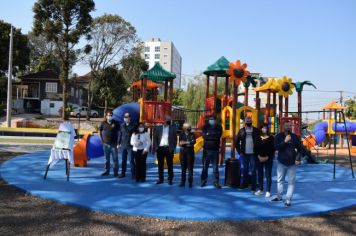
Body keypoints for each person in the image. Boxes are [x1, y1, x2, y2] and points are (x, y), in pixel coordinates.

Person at [271, 120, 302, 207]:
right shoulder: (278, 136)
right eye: (287, 125)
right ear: (283, 126)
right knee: (280, 180)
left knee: (291, 182)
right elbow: (276, 147)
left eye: (289, 125)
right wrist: (285, 141)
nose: (288, 127)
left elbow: (300, 149)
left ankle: (288, 200)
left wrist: (298, 159)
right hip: (281, 162)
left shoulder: (295, 137)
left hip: (292, 163)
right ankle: (279, 196)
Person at [235, 116, 260, 191]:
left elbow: (259, 142)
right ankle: (244, 184)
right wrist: (240, 152)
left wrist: (258, 152)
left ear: (252, 121)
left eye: (250, 121)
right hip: (244, 153)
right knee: (245, 169)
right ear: (244, 122)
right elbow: (236, 143)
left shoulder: (256, 130)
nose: (248, 122)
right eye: (247, 121)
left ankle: (254, 185)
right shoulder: (241, 131)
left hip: (253, 153)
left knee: (253, 169)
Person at [154, 115, 177, 185]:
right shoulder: (158, 128)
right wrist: (156, 147)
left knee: (170, 164)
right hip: (160, 148)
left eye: (170, 119)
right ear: (164, 120)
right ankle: (161, 179)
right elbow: (155, 138)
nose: (169, 121)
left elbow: (175, 139)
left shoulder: (173, 128)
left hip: (169, 148)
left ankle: (170, 179)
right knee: (160, 164)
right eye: (168, 119)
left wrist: (173, 148)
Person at [201, 115, 223, 189]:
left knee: (215, 167)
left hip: (215, 150)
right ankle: (203, 181)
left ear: (215, 120)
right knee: (205, 167)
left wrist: (209, 134)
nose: (211, 120)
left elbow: (218, 136)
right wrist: (212, 135)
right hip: (206, 150)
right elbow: (204, 136)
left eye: (213, 119)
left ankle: (216, 182)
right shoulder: (205, 127)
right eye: (210, 119)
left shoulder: (219, 127)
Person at [255, 123, 275, 197]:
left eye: (265, 128)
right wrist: (258, 156)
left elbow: (273, 149)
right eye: (263, 128)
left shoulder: (271, 138)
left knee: (268, 174)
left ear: (267, 129)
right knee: (260, 174)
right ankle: (260, 189)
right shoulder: (257, 138)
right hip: (259, 158)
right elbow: (255, 148)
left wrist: (268, 157)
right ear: (260, 129)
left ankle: (268, 190)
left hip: (268, 159)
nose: (264, 129)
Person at [99, 111, 120, 177]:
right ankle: (106, 171)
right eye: (108, 115)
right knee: (106, 159)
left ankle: (115, 173)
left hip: (114, 144)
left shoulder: (116, 123)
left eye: (111, 115)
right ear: (106, 116)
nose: (110, 116)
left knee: (115, 159)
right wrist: (101, 140)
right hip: (106, 144)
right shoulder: (103, 123)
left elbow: (119, 133)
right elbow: (99, 131)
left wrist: (118, 143)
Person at [118, 112, 136, 178]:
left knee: (131, 160)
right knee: (123, 160)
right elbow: (120, 135)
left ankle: (133, 174)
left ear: (130, 118)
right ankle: (123, 173)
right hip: (123, 145)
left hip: (130, 146)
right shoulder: (122, 125)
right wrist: (118, 143)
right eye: (125, 117)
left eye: (127, 117)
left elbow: (136, 136)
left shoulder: (133, 126)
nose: (126, 118)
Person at [178, 123, 196, 188]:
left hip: (190, 153)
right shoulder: (181, 134)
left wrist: (185, 142)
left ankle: (190, 182)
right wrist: (187, 142)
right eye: (188, 127)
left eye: (189, 127)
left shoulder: (192, 134)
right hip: (183, 153)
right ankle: (183, 182)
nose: (189, 128)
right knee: (183, 169)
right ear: (184, 128)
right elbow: (180, 143)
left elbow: (193, 142)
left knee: (190, 169)